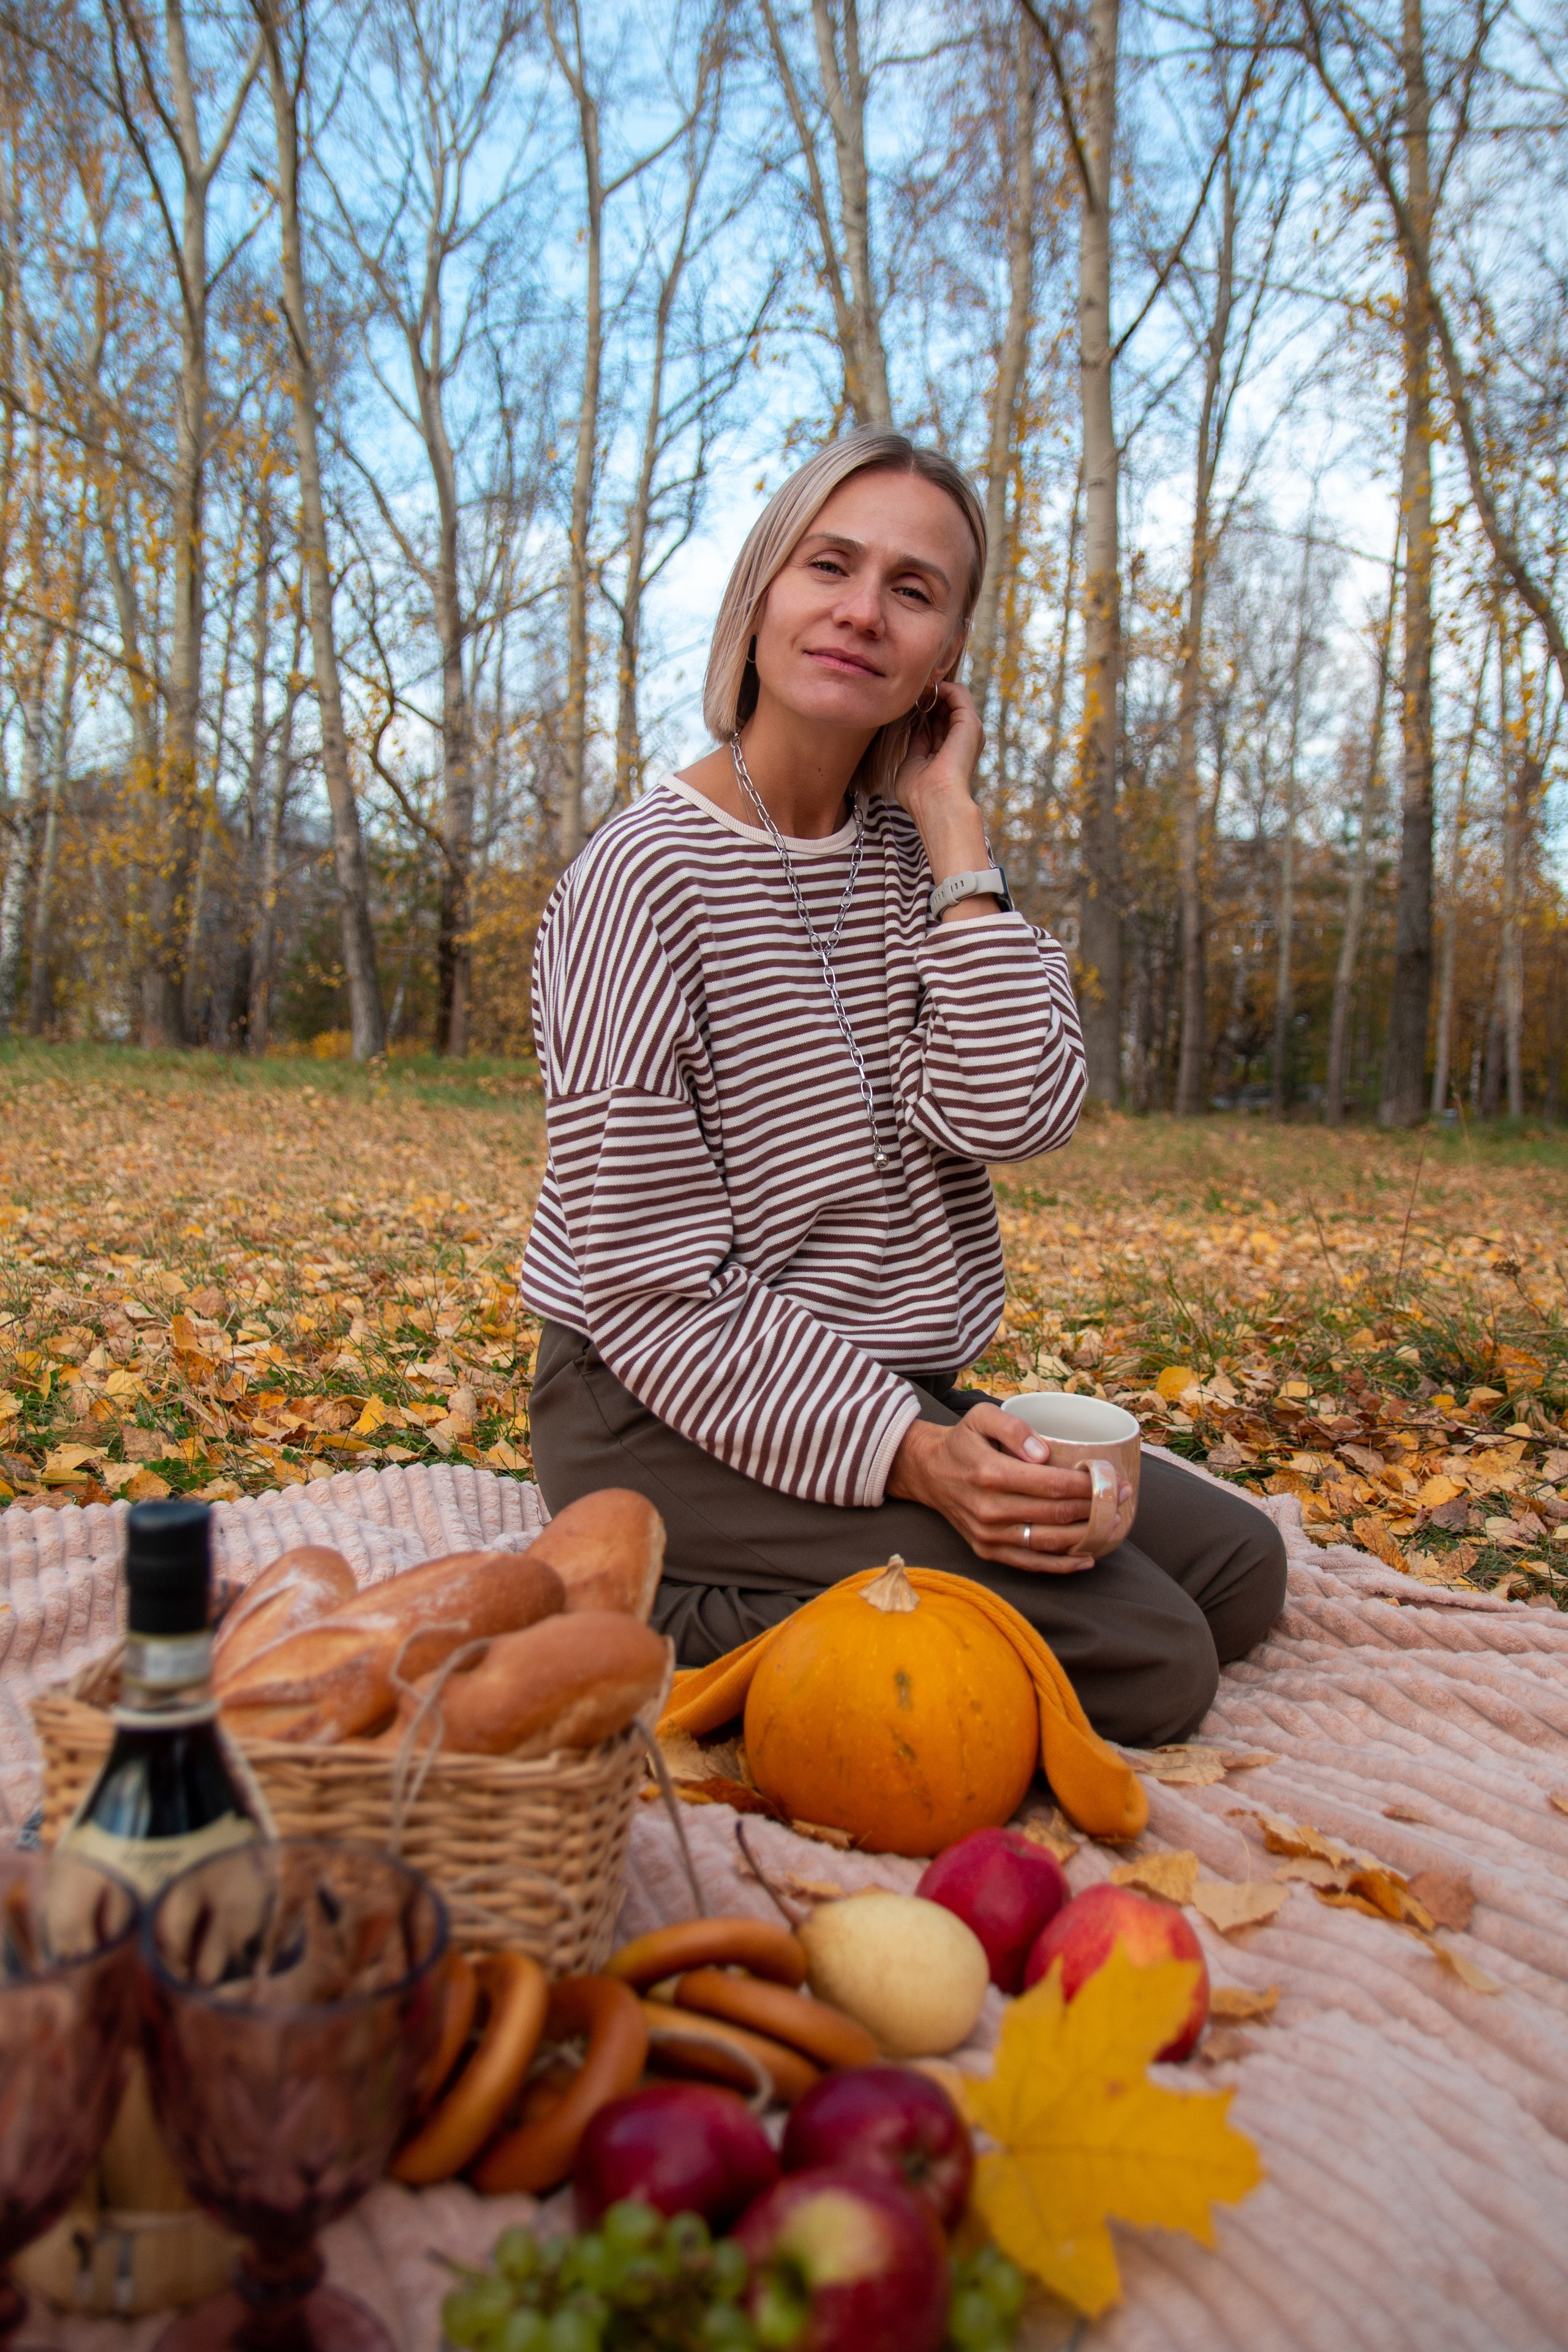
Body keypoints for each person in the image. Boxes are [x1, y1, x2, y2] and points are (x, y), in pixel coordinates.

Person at [522, 428, 1285, 1747]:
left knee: (1233, 1572)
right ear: (763, 590)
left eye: (913, 589)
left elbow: (1015, 1110)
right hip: (649, 1395)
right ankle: (620, 1605)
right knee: (1151, 1657)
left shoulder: (910, 863)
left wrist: (951, 826)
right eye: (830, 565)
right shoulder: (639, 881)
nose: (862, 611)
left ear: (945, 654)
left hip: (868, 1377)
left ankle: (849, 1538)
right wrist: (921, 1460)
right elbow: (648, 1287)